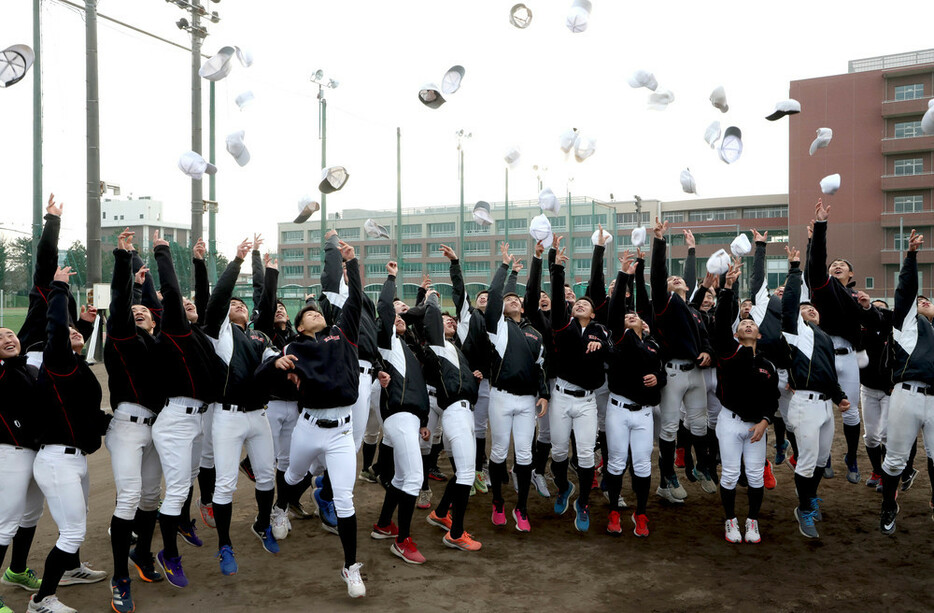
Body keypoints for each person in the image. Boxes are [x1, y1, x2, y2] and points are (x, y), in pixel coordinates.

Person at [260, 239, 366, 598]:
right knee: (293, 475)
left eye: (317, 311)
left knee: (346, 499)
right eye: (308, 314)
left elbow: (355, 301)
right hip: (308, 425)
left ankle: (350, 568)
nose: (315, 314)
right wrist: (277, 364)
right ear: (300, 326)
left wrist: (351, 264)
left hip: (341, 430)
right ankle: (278, 509)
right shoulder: (294, 347)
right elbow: (264, 374)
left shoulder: (342, 335)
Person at [29, 266, 111, 613]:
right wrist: (59, 288)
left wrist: (87, 324)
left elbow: (82, 408)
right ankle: (42, 600)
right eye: (72, 331)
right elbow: (58, 331)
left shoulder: (75, 366)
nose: (75, 332)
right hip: (57, 459)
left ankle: (72, 569)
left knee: (75, 521)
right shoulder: (58, 361)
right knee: (73, 531)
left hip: (73, 458)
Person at [203, 238, 282, 574]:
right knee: (225, 484)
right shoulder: (220, 332)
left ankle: (262, 523)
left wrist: (268, 269)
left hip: (258, 415)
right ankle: (224, 545)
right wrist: (237, 261)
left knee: (266, 475)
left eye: (241, 304)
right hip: (228, 416)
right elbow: (219, 298)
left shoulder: (259, 336)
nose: (237, 304)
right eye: (233, 303)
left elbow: (267, 301)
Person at [151, 231, 220, 589]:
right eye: (185, 305)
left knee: (189, 478)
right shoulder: (175, 330)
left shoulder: (200, 338)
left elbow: (205, 301)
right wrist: (163, 251)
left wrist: (199, 262)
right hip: (176, 419)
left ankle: (179, 520)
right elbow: (175, 293)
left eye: (194, 305)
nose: (190, 305)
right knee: (177, 490)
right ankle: (169, 555)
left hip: (197, 421)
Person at [103, 230, 165, 612]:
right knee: (128, 497)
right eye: (133, 311)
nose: (138, 312)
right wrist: (125, 260)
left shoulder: (158, 343)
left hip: (157, 427)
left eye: (144, 311)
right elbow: (121, 301)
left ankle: (142, 554)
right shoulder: (122, 337)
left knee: (149, 498)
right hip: (126, 426)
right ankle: (119, 578)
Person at [807, 199, 884, 483]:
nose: (837, 266)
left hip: (849, 356)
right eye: (834, 264)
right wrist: (820, 227)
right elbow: (816, 263)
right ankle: (825, 455)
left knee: (851, 414)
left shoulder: (856, 296)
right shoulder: (823, 289)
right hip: (824, 356)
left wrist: (867, 308)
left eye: (843, 265)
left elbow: (877, 325)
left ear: (851, 275)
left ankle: (851, 456)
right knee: (823, 413)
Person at [781, 246, 850, 539]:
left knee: (822, 460)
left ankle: (809, 499)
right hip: (805, 404)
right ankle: (804, 508)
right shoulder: (796, 332)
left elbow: (829, 374)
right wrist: (796, 268)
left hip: (824, 406)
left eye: (814, 308)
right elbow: (790, 304)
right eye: (805, 308)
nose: (811, 309)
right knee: (808, 460)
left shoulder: (822, 337)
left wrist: (839, 396)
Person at [709, 264, 779, 543]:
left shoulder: (767, 365)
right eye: (743, 324)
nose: (747, 324)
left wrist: (764, 422)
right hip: (730, 421)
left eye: (752, 324)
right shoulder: (728, 352)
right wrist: (727, 289)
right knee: (729, 474)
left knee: (754, 476)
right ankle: (730, 521)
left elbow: (771, 398)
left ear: (759, 335)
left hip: (756, 428)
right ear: (737, 334)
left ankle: (752, 521)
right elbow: (721, 323)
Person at [484, 243, 549, 532]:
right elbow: (496, 294)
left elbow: (541, 368)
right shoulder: (498, 327)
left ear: (522, 305)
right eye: (506, 299)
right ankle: (498, 500)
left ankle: (521, 509)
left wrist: (544, 393)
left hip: (527, 402)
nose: (510, 300)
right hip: (500, 398)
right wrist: (504, 267)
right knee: (499, 452)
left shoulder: (535, 333)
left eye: (515, 299)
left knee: (525, 456)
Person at [370, 261, 431, 564]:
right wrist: (391, 277)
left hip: (410, 418)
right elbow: (383, 307)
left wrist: (422, 420)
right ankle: (402, 541)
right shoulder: (387, 341)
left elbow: (418, 390)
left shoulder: (409, 349)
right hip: (397, 415)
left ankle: (383, 524)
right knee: (414, 479)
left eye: (401, 314)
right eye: (394, 314)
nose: (398, 316)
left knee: (402, 478)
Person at [650, 219, 713, 502]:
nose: (675, 279)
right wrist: (660, 242)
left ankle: (703, 468)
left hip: (696, 373)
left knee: (699, 425)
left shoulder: (691, 309)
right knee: (670, 427)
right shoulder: (665, 305)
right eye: (670, 279)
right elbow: (658, 275)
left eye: (679, 279)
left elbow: (701, 329)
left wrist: (707, 351)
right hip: (673, 373)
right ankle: (669, 475)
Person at [420, 271, 483, 551]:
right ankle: (455, 534)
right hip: (455, 412)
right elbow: (432, 315)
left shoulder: (457, 350)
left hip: (465, 412)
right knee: (466, 473)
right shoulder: (437, 345)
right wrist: (431, 297)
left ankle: (441, 513)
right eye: (446, 319)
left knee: (463, 472)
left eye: (453, 320)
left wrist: (473, 378)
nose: (451, 321)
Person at [548, 241, 609, 532]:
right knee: (559, 453)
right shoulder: (565, 327)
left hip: (586, 401)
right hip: (560, 397)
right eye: (577, 303)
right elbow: (559, 303)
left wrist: (601, 345)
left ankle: (582, 502)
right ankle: (563, 487)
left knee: (585, 454)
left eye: (587, 304)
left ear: (593, 314)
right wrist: (558, 268)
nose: (580, 303)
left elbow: (612, 352)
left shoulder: (602, 331)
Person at [603, 251, 665, 537]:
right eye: (628, 316)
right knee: (616, 462)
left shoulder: (652, 346)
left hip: (642, 413)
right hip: (618, 408)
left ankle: (641, 514)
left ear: (644, 325)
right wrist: (623, 274)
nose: (630, 317)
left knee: (641, 463)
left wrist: (659, 377)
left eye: (635, 317)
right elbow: (615, 310)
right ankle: (614, 511)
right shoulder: (618, 337)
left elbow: (660, 372)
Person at [879, 229, 934, 535]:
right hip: (907, 394)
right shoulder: (907, 325)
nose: (922, 302)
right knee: (896, 458)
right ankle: (889, 504)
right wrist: (911, 256)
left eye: (928, 301)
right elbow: (907, 290)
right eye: (919, 301)